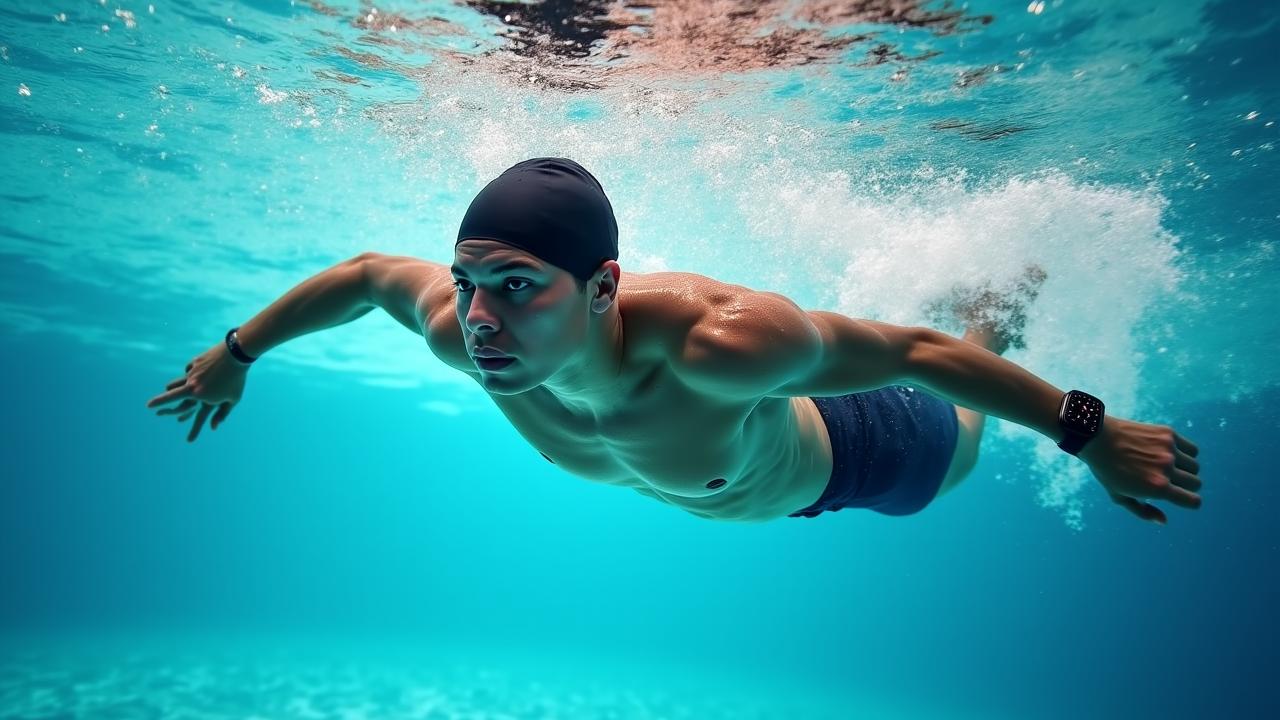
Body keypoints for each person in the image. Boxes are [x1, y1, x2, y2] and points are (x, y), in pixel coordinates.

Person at [145, 157, 1202, 525]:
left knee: (959, 438)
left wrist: (1086, 429)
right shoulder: (462, 335)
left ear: (602, 287)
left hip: (861, 449)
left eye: (516, 287)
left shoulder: (715, 344)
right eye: (468, 283)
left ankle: (998, 303)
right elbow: (367, 275)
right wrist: (236, 355)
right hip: (735, 460)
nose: (480, 318)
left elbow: (913, 353)